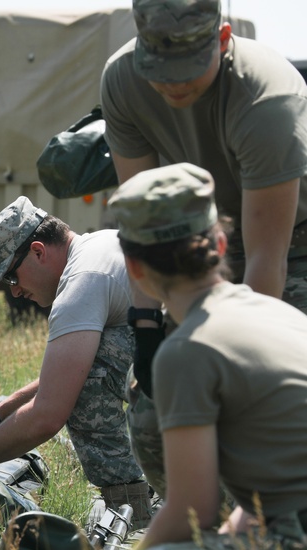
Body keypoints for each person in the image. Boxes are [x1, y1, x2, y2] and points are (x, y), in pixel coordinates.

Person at [77, 163, 307, 550]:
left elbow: (189, 511)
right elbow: (279, 480)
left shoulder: (187, 351)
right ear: (221, 245)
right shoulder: (281, 314)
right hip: (288, 527)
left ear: (135, 269)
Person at [100, 0, 307, 496]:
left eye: (187, 70)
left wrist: (240, 369)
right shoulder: (124, 80)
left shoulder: (267, 97)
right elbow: (144, 228)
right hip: (202, 248)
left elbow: (266, 256)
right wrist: (147, 330)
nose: (171, 84)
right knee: (154, 407)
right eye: (159, 69)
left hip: (290, 244)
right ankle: (201, 537)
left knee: (264, 399)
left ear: (223, 39)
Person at [0, 197, 151, 524]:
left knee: (84, 392)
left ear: (38, 252)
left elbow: (47, 416)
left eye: (12, 277)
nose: (14, 292)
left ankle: (131, 511)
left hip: (194, 383)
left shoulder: (80, 285)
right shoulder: (97, 246)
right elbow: (72, 371)